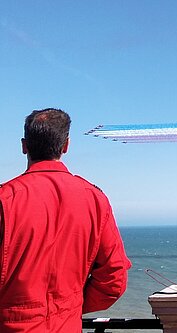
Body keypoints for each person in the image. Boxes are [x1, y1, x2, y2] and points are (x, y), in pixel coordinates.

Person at [0, 108, 132, 332]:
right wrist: (70, 307)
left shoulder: (5, 199)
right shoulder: (94, 199)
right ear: (66, 145)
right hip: (66, 324)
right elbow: (114, 279)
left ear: (24, 145)